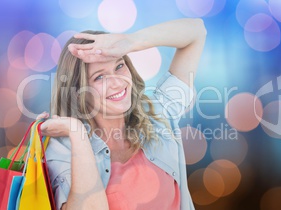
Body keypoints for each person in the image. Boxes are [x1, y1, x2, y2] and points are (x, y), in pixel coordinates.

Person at [37, 18, 206, 210]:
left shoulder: (157, 115)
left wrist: (130, 42)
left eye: (119, 66)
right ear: (78, 92)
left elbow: (196, 31)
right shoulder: (63, 149)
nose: (117, 82)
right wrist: (77, 134)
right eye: (99, 77)